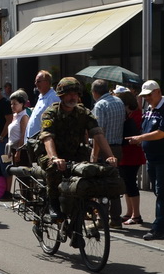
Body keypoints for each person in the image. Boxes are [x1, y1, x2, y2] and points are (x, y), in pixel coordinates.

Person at [38, 77, 116, 221]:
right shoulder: (51, 113)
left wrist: (110, 156)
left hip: (76, 154)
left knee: (89, 171)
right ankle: (53, 203)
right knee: (53, 169)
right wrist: (54, 158)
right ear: (61, 95)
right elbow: (47, 137)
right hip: (53, 154)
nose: (72, 97)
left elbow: (98, 134)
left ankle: (84, 204)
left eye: (75, 94)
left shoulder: (83, 112)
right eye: (69, 94)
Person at [126, 80, 164, 240]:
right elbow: (145, 129)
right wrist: (140, 139)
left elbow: (163, 133)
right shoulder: (150, 109)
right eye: (144, 96)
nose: (147, 98)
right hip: (152, 157)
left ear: (158, 92)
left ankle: (160, 227)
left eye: (149, 95)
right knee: (159, 192)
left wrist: (140, 138)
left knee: (161, 192)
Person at [91, 79, 126, 227]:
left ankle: (102, 219)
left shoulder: (100, 105)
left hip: (104, 149)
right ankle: (116, 219)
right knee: (114, 184)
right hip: (118, 147)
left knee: (102, 186)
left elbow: (99, 133)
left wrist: (94, 154)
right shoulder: (119, 101)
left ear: (95, 92)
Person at [115, 89, 145, 225]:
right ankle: (129, 212)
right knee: (126, 183)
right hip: (126, 152)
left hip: (132, 153)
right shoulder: (130, 113)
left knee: (131, 183)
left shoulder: (137, 114)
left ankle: (136, 215)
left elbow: (136, 132)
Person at [24, 71, 59, 140]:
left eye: (38, 81)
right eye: (35, 81)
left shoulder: (53, 97)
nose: (36, 83)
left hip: (42, 140)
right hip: (32, 141)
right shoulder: (41, 97)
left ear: (47, 82)